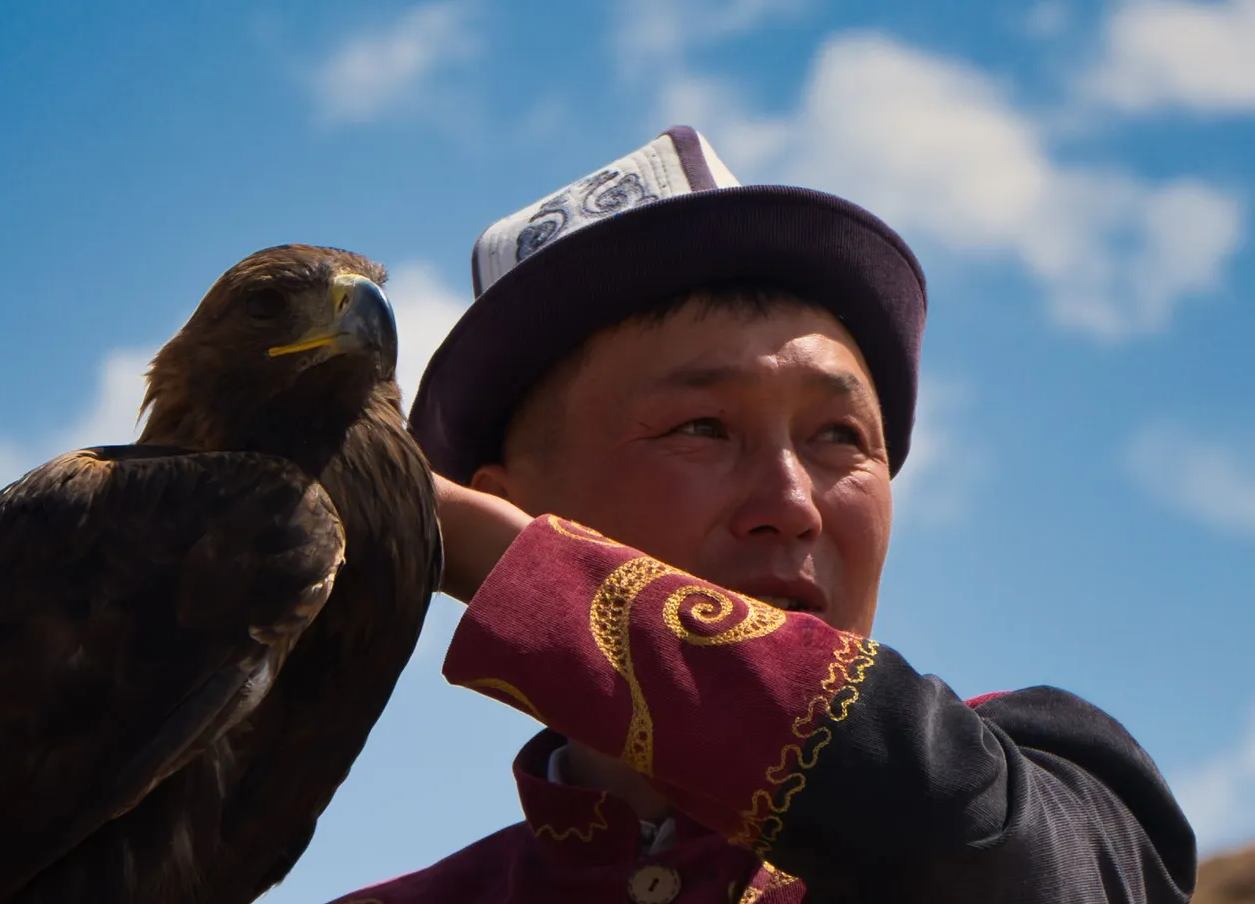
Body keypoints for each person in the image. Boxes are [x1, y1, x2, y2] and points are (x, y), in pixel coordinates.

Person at [330, 127, 1196, 903]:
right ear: (516, 505)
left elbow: (970, 847)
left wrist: (483, 555)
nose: (791, 505)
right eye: (701, 428)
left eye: (839, 437)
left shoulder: (1059, 792)